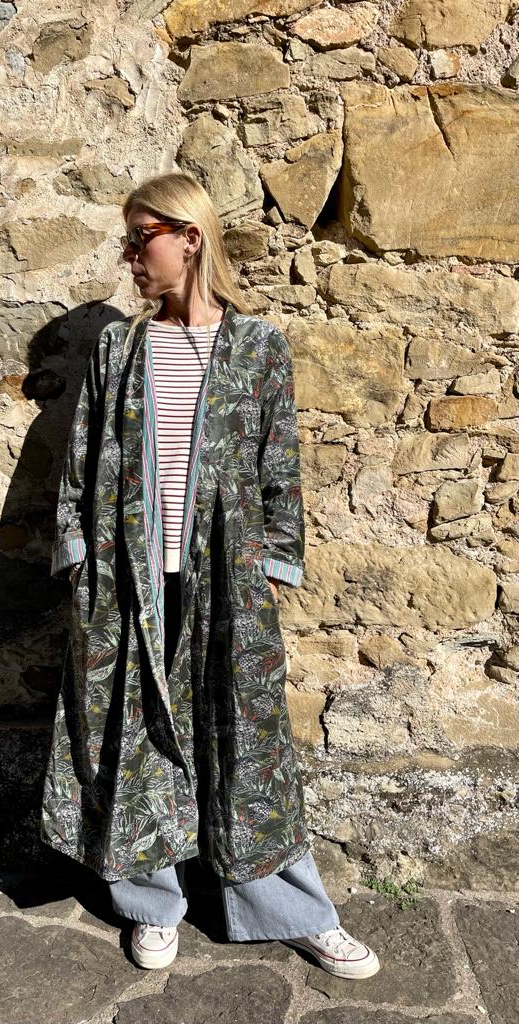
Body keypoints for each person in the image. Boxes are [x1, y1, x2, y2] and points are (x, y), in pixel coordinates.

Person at [41, 172, 380, 980]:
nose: (129, 257)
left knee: (247, 742)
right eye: (127, 242)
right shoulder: (120, 347)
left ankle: (294, 911)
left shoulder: (258, 346)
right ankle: (151, 902)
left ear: (188, 238)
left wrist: (273, 566)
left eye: (140, 239)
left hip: (226, 578)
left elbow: (278, 464)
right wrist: (80, 560)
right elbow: (81, 459)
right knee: (133, 735)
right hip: (127, 580)